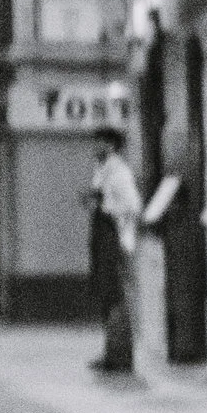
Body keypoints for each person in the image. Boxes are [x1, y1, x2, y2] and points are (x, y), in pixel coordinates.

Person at [86, 128, 142, 373]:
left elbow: (132, 205)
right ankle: (112, 352)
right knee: (108, 297)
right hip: (104, 239)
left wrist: (105, 205)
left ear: (110, 145)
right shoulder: (103, 170)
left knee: (117, 297)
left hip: (116, 242)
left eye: (99, 142)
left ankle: (120, 357)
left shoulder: (119, 172)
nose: (95, 147)